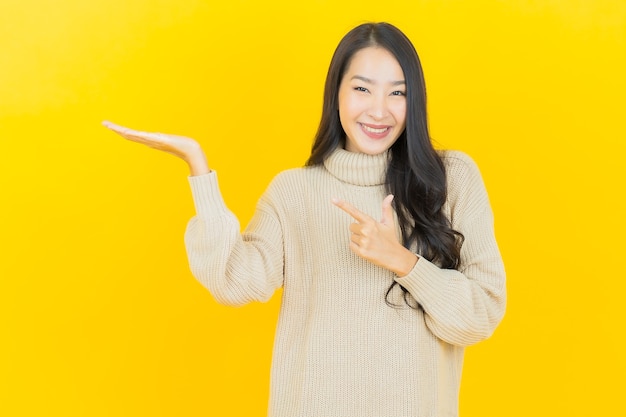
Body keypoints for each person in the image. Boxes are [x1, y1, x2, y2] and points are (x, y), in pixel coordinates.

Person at [104, 22, 506, 417]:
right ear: (336, 94)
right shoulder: (294, 192)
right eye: (362, 89)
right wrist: (198, 168)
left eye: (397, 93)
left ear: (413, 100)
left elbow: (480, 317)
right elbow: (233, 281)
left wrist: (402, 261)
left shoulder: (450, 180)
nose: (378, 110)